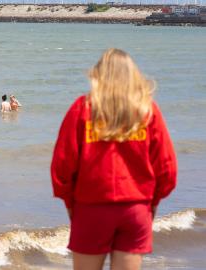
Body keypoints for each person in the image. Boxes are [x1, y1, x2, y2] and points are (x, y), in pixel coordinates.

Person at [51, 48, 177, 270]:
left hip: (91, 208)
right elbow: (167, 169)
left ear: (98, 76)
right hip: (135, 210)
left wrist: (70, 203)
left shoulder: (83, 108)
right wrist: (152, 202)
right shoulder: (147, 111)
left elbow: (62, 164)